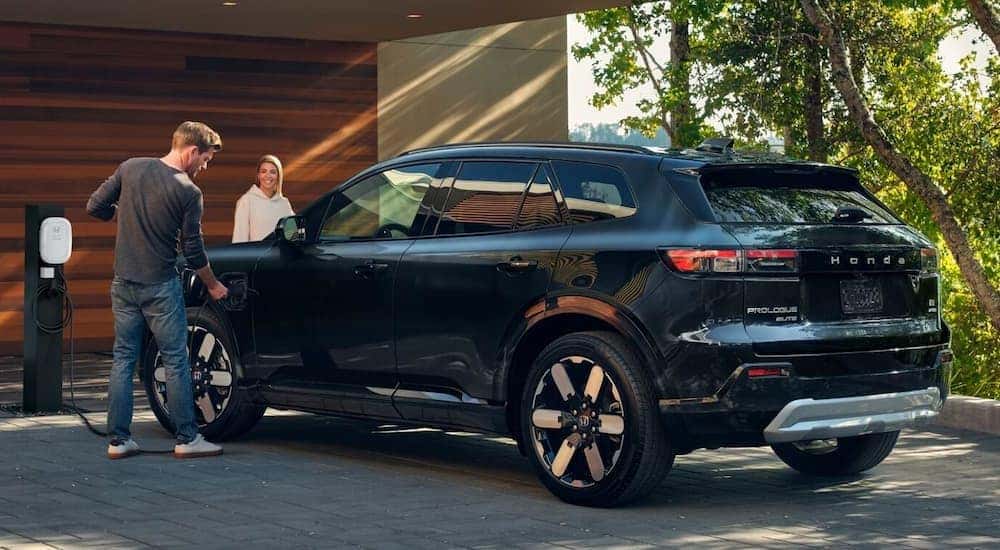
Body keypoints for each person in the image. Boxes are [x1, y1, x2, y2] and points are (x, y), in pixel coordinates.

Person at [87, 121, 229, 460]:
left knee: (123, 357)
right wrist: (213, 284)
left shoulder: (131, 168)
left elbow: (94, 206)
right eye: (206, 160)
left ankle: (118, 442)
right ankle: (187, 438)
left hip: (123, 282)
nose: (204, 168)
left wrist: (120, 214)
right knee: (176, 359)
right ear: (192, 151)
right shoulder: (188, 191)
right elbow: (193, 251)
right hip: (161, 286)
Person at [232, 154, 294, 242]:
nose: (268, 175)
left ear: (278, 176)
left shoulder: (284, 204)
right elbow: (239, 239)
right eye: (263, 171)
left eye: (272, 172)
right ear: (258, 175)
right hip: (256, 255)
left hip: (281, 255)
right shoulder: (246, 201)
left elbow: (293, 238)